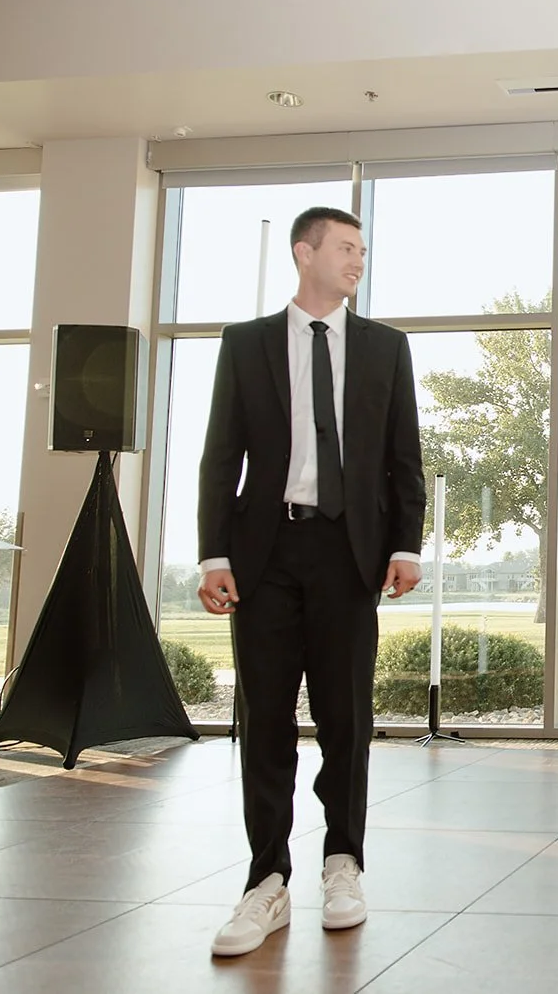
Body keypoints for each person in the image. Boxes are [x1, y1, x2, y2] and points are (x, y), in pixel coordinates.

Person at [197, 206, 426, 957]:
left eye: (363, 250)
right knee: (264, 721)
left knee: (346, 720)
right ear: (305, 252)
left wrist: (406, 544)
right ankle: (266, 879)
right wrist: (213, 556)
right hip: (263, 556)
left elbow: (404, 457)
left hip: (349, 554)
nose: (358, 260)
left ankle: (343, 863)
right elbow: (220, 454)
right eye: (346, 248)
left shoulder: (386, 348)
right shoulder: (247, 343)